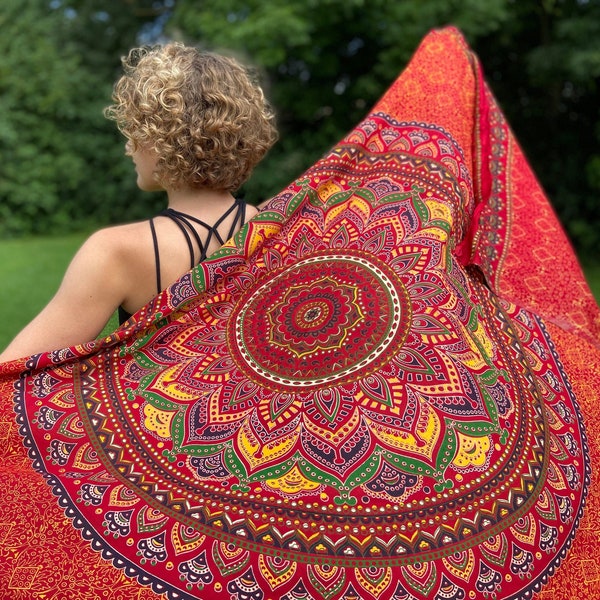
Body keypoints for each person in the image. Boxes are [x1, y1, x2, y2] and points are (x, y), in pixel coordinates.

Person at [0, 43, 278, 362]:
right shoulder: (278, 229)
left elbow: (12, 373)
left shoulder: (114, 252)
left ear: (163, 140)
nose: (129, 149)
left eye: (137, 132)